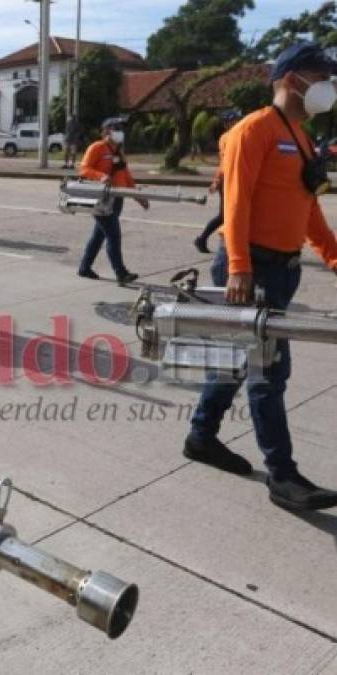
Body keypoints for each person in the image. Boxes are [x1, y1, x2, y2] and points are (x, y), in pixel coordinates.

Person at [184, 42, 337, 511]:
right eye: (322, 75)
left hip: (283, 268)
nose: (329, 85)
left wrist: (333, 255)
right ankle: (283, 477)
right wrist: (238, 268)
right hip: (252, 267)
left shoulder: (302, 133)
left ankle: (200, 437)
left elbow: (308, 206)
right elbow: (237, 201)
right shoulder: (256, 129)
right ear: (293, 79)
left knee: (233, 362)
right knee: (269, 373)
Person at [77, 116, 148, 285]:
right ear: (106, 131)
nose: (120, 132)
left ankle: (84, 268)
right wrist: (101, 176)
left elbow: (126, 177)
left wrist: (139, 197)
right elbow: (83, 169)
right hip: (101, 199)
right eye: (116, 128)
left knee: (99, 235)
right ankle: (121, 273)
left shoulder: (119, 152)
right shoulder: (97, 148)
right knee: (113, 235)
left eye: (121, 129)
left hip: (117, 199)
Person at [194, 109, 242, 254]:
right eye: (235, 120)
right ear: (228, 123)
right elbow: (225, 163)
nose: (238, 122)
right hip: (228, 180)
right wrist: (217, 181)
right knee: (224, 216)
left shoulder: (237, 135)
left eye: (239, 119)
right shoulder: (228, 137)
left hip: (235, 179)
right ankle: (202, 239)